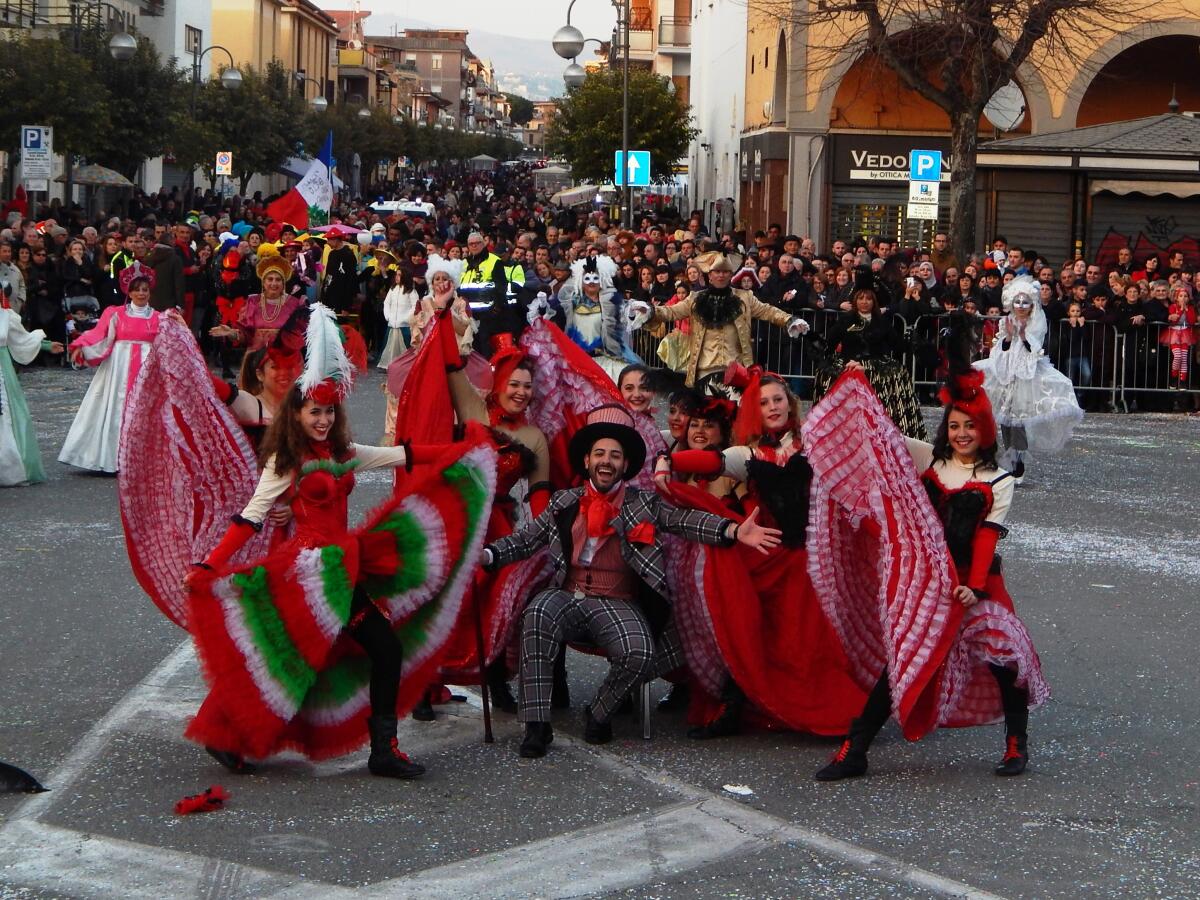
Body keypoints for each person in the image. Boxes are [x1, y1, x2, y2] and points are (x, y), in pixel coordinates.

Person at [183, 303, 495, 778]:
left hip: (342, 573)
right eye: (314, 412)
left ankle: (382, 749)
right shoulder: (285, 460)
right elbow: (251, 516)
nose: (323, 420)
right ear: (298, 413)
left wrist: (464, 450)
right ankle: (231, 734)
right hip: (307, 574)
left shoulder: (347, 454)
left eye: (329, 411)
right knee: (286, 657)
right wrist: (210, 567)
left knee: (348, 653)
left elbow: (403, 455)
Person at [480, 403, 782, 758]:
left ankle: (599, 712)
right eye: (600, 454)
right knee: (536, 615)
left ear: (625, 464)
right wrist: (486, 555)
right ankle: (536, 726)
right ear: (587, 461)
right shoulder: (563, 502)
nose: (606, 461)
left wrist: (732, 529)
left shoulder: (645, 504)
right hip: (567, 594)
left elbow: (686, 521)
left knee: (639, 653)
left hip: (617, 601)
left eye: (615, 456)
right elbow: (525, 540)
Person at [810, 339, 1050, 781]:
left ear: (985, 430)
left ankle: (1017, 744)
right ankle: (855, 748)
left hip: (978, 582)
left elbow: (987, 538)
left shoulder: (999, 479)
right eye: (955, 426)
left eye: (970, 427)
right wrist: (858, 385)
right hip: (932, 582)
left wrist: (974, 586)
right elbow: (882, 436)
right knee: (902, 660)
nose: (961, 434)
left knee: (1004, 660)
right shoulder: (930, 463)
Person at [629, 255, 808, 393]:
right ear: (709, 275)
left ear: (731, 275)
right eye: (717, 272)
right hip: (704, 372)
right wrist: (650, 310)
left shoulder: (745, 297)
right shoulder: (695, 298)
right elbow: (671, 311)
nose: (721, 275)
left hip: (736, 371)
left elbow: (768, 311)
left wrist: (789, 320)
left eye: (725, 272)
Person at [59, 263, 164, 473]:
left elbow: (166, 345)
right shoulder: (116, 314)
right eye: (137, 289)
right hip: (118, 368)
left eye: (145, 289)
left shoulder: (159, 317)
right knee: (114, 408)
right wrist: (83, 348)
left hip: (148, 369)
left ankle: (142, 460)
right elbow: (101, 336)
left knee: (145, 411)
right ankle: (112, 458)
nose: (141, 293)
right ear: (129, 291)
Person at [974, 276, 1083, 472]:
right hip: (1006, 372)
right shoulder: (1006, 320)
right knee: (1005, 419)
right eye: (1017, 301)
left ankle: (1018, 462)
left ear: (1032, 304)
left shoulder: (1037, 321)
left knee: (1019, 419)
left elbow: (1035, 349)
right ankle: (1009, 458)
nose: (1021, 306)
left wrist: (1023, 335)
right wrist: (1008, 336)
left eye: (1025, 302)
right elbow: (1001, 348)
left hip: (1027, 374)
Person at [811, 269, 927, 439]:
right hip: (849, 365)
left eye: (868, 299)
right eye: (861, 298)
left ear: (874, 301)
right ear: (855, 300)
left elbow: (898, 345)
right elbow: (829, 343)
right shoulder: (845, 320)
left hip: (877, 366)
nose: (864, 302)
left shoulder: (883, 322)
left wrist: (914, 341)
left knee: (895, 379)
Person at [0, 301, 64, 485]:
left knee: (7, 415)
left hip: (2, 374)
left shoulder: (6, 316)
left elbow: (21, 339)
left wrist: (46, 345)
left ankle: (10, 469)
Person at [555, 255, 642, 380]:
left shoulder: (611, 302)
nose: (591, 282)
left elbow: (626, 320)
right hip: (578, 360)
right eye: (587, 278)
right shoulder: (571, 303)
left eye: (596, 278)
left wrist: (633, 313)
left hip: (607, 359)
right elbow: (555, 319)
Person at [209, 254, 305, 353]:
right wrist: (231, 333)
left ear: (283, 283)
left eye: (278, 280)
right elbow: (245, 335)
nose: (274, 283)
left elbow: (300, 336)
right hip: (256, 360)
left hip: (285, 361)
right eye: (270, 279)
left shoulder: (294, 304)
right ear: (263, 282)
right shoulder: (253, 301)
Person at [377, 265, 419, 370]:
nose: (397, 277)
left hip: (404, 325)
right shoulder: (392, 290)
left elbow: (415, 306)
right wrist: (388, 316)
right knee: (389, 346)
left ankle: (406, 365)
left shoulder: (411, 291)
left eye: (399, 275)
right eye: (396, 274)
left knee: (405, 346)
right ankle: (388, 364)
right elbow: (387, 303)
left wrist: (406, 318)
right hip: (392, 323)